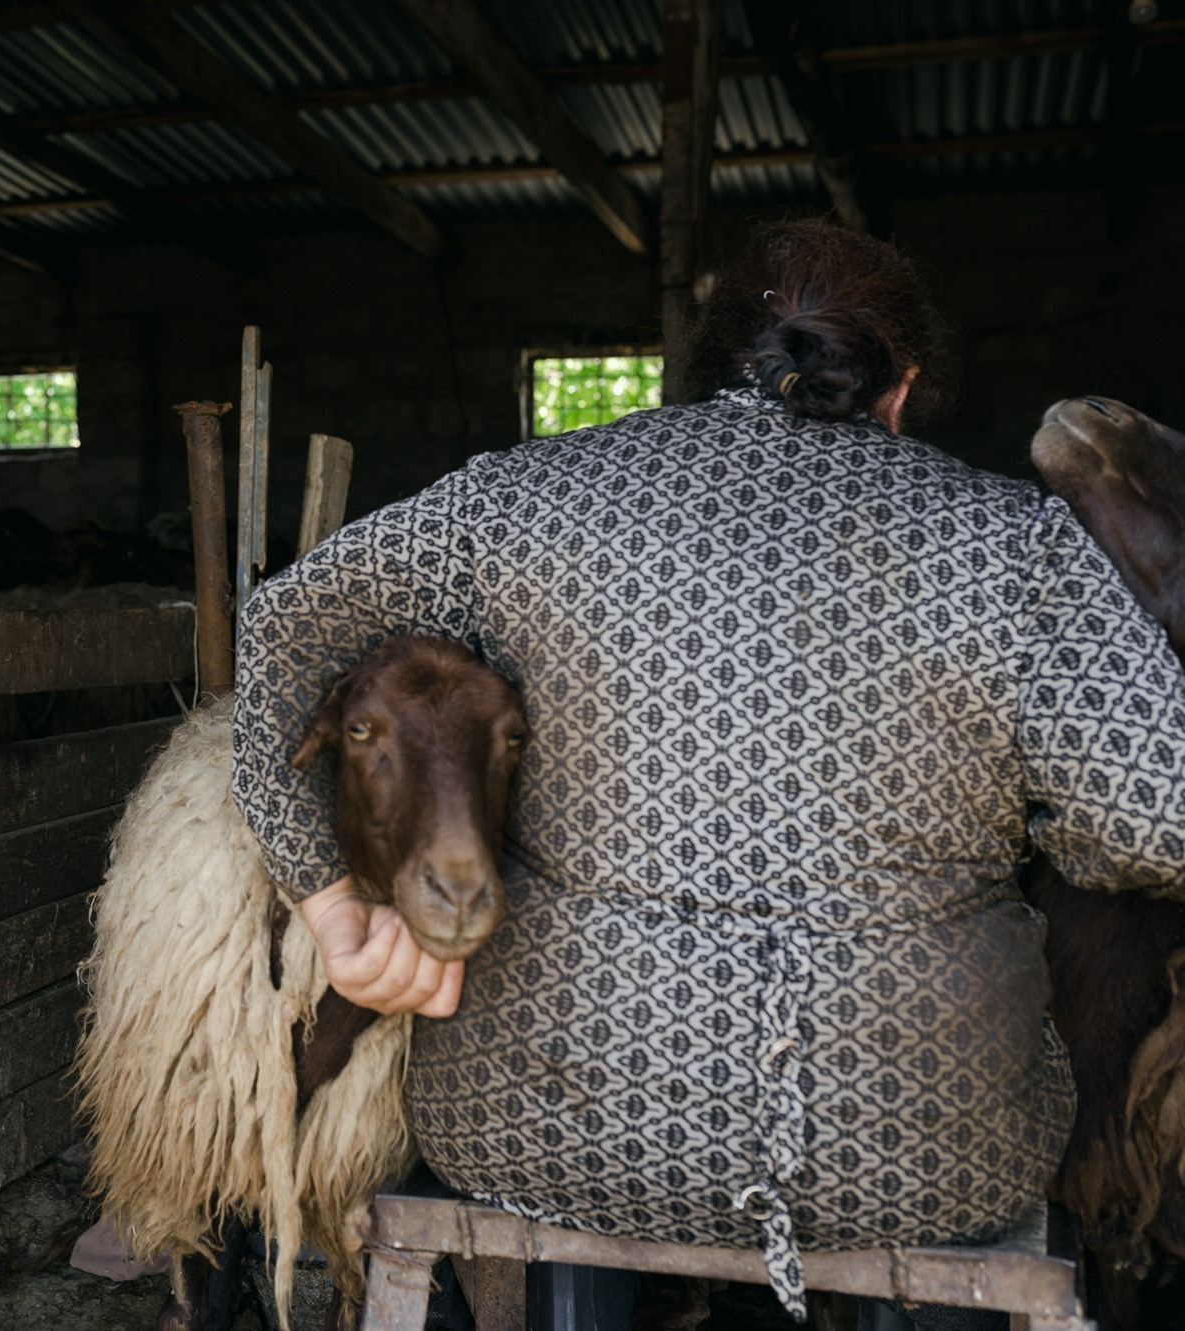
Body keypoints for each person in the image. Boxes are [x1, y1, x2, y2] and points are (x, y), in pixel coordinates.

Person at [231, 218, 1185, 1322]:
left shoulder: (515, 500)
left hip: (539, 1118)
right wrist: (1035, 824)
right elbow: (1159, 817)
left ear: (708, 365)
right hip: (919, 1146)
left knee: (553, 1149)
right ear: (901, 387)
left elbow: (282, 631)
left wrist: (329, 900)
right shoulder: (1015, 543)